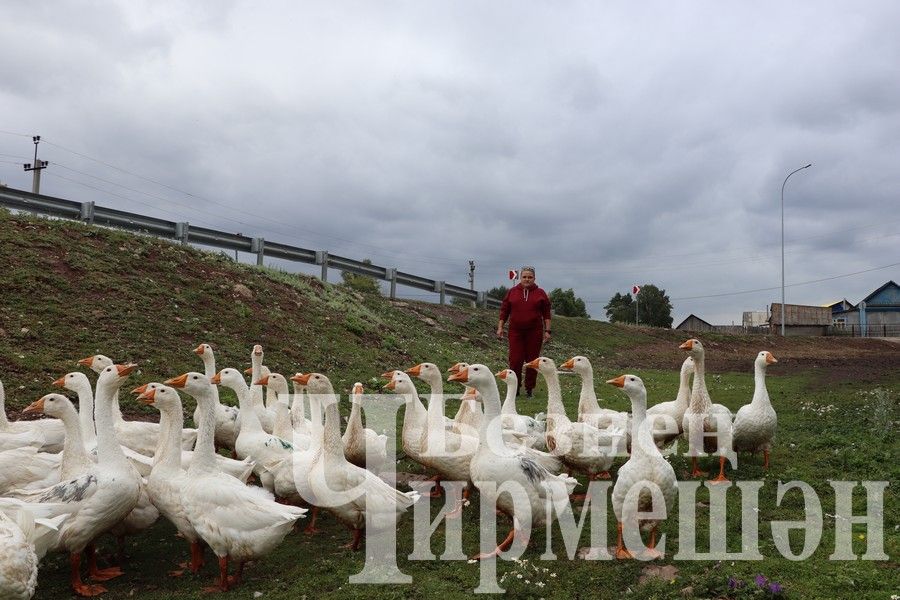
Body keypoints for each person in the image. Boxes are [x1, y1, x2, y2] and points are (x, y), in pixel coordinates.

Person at [496, 266, 552, 397]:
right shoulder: (512, 292)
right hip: (515, 331)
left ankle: (529, 389)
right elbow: (504, 311)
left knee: (532, 361)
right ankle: (514, 388)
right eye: (524, 277)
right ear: (520, 278)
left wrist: (548, 330)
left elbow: (546, 314)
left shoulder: (540, 293)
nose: (527, 279)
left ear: (534, 278)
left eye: (530, 277)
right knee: (515, 360)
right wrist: (500, 327)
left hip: (534, 332)